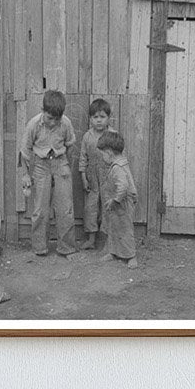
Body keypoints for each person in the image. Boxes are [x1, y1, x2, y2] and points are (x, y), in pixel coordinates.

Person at [19, 89, 77, 257]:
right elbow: (24, 151)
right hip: (40, 165)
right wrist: (25, 174)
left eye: (56, 119)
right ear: (43, 110)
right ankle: (39, 247)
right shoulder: (33, 125)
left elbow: (71, 144)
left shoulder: (65, 123)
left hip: (60, 162)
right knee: (40, 209)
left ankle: (66, 247)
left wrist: (66, 167)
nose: (53, 122)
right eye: (50, 118)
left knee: (65, 208)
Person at [97, 130, 138, 268]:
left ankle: (131, 256)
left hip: (122, 203)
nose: (102, 156)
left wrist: (115, 200)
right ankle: (114, 252)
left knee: (125, 229)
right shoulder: (119, 163)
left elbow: (123, 187)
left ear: (109, 153)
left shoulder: (117, 168)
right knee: (114, 227)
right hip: (117, 203)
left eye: (102, 153)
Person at [78, 97, 112, 250]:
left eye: (102, 117)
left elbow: (119, 156)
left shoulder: (112, 135)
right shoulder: (87, 136)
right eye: (95, 117)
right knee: (91, 207)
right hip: (92, 177)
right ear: (90, 119)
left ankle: (107, 240)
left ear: (108, 118)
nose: (99, 121)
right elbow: (83, 158)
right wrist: (83, 177)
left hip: (108, 176)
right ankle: (91, 239)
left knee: (107, 206)